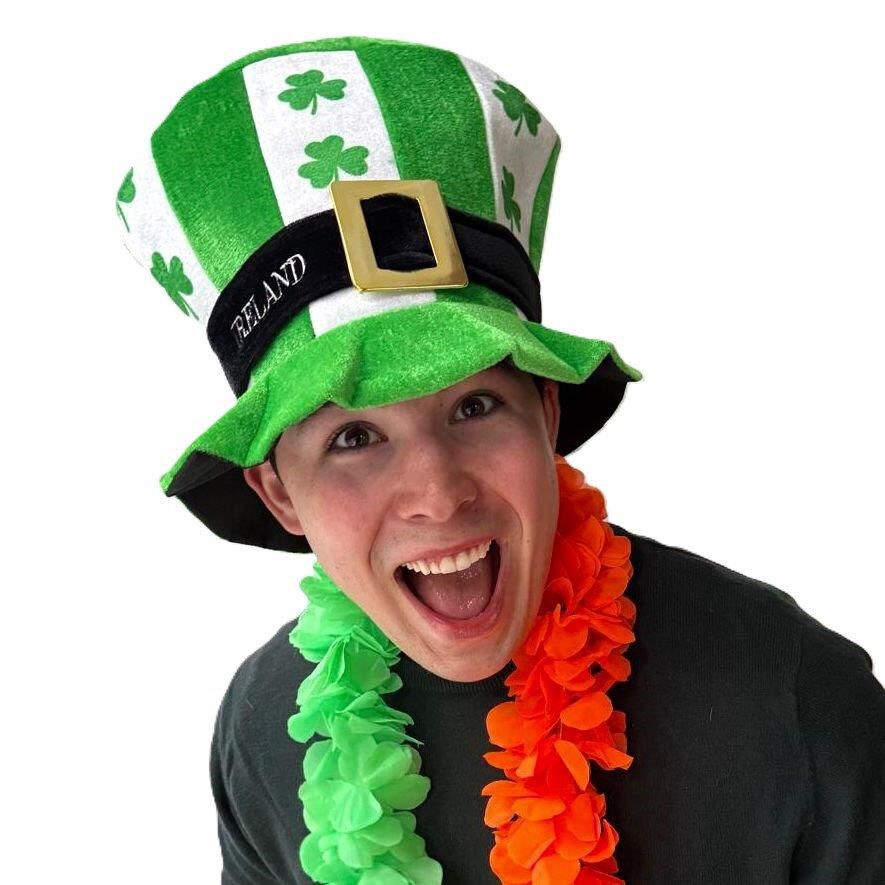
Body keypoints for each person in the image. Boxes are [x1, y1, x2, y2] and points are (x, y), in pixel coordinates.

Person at [117, 35, 885, 885]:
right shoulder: (265, 729)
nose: (437, 494)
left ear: (546, 412)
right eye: (353, 437)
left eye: (473, 406)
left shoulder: (790, 695)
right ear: (277, 493)